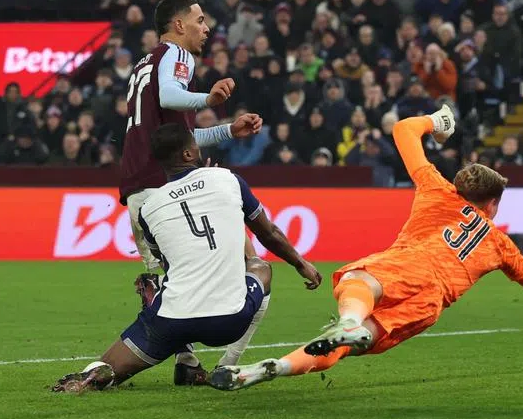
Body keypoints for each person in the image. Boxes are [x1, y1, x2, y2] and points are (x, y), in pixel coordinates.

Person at [210, 105, 523, 391]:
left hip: (410, 265)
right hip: (430, 303)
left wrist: (439, 121)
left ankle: (349, 321)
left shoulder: (438, 190)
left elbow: (404, 129)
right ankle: (264, 370)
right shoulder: (499, 243)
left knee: (357, 279)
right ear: (493, 204)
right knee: (338, 347)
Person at [52, 124, 322, 393]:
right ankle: (227, 363)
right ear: (188, 155)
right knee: (260, 267)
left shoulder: (149, 209)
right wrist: (301, 264)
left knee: (106, 367)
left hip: (171, 321)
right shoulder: (227, 179)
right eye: (195, 145)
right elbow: (270, 234)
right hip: (227, 321)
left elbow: (171, 263)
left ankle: (88, 380)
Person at [118, 0, 264, 384]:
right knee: (248, 265)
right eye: (200, 19)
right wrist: (208, 97)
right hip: (165, 186)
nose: (207, 27)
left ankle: (187, 364)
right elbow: (171, 96)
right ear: (179, 25)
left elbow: (181, 137)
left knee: (171, 279)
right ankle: (223, 362)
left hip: (138, 187)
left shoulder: (144, 64)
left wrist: (228, 130)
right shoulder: (178, 56)